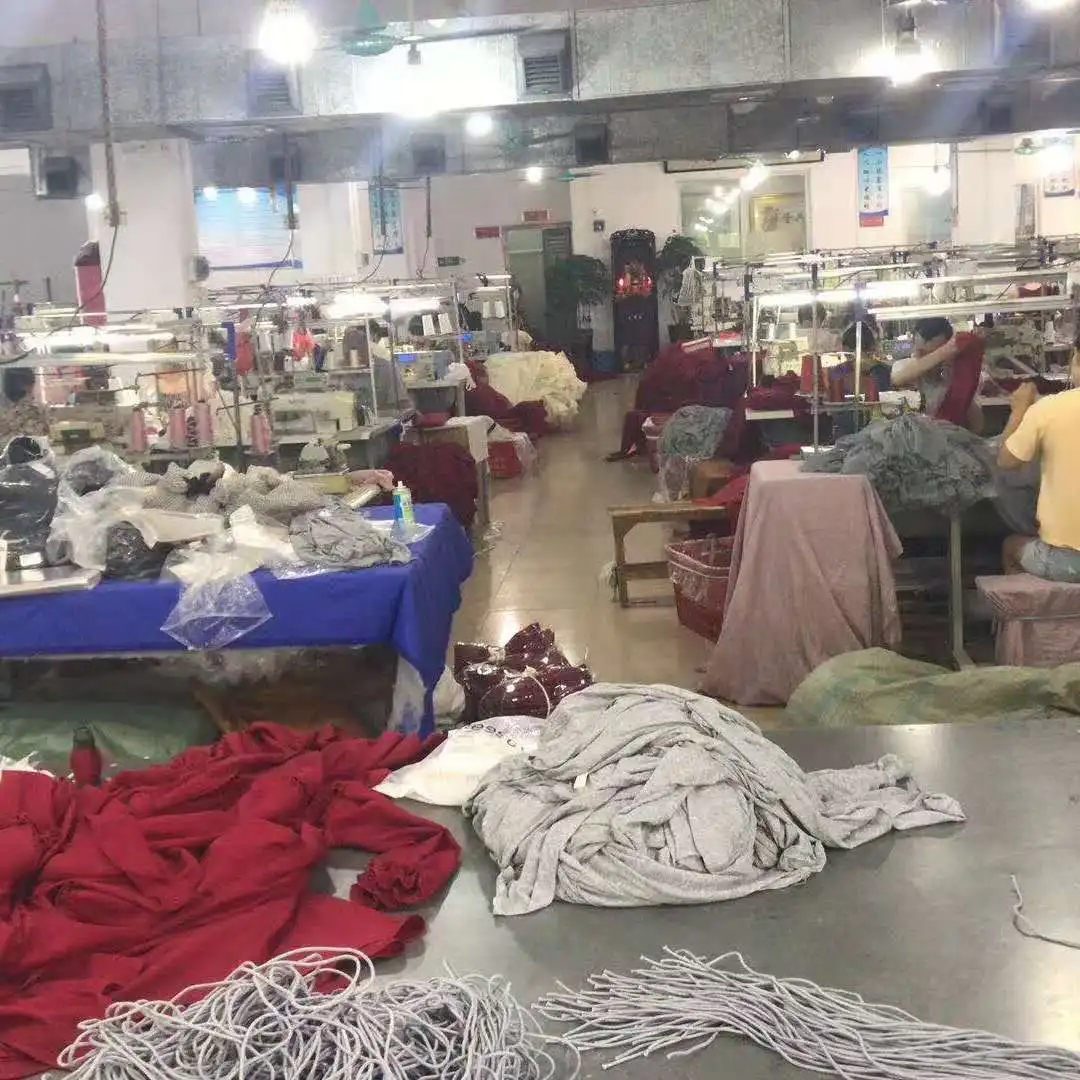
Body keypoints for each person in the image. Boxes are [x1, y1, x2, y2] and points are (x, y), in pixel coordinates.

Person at [997, 366, 1080, 583]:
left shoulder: (1048, 408)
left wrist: (1019, 410)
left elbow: (1005, 461)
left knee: (1010, 547)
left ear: (1076, 361)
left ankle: (1027, 604)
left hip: (1069, 561)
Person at [889, 317, 985, 432]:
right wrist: (946, 350)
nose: (923, 357)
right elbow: (897, 379)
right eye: (920, 351)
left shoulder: (957, 377)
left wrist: (959, 389)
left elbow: (977, 427)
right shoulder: (903, 366)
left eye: (931, 352)